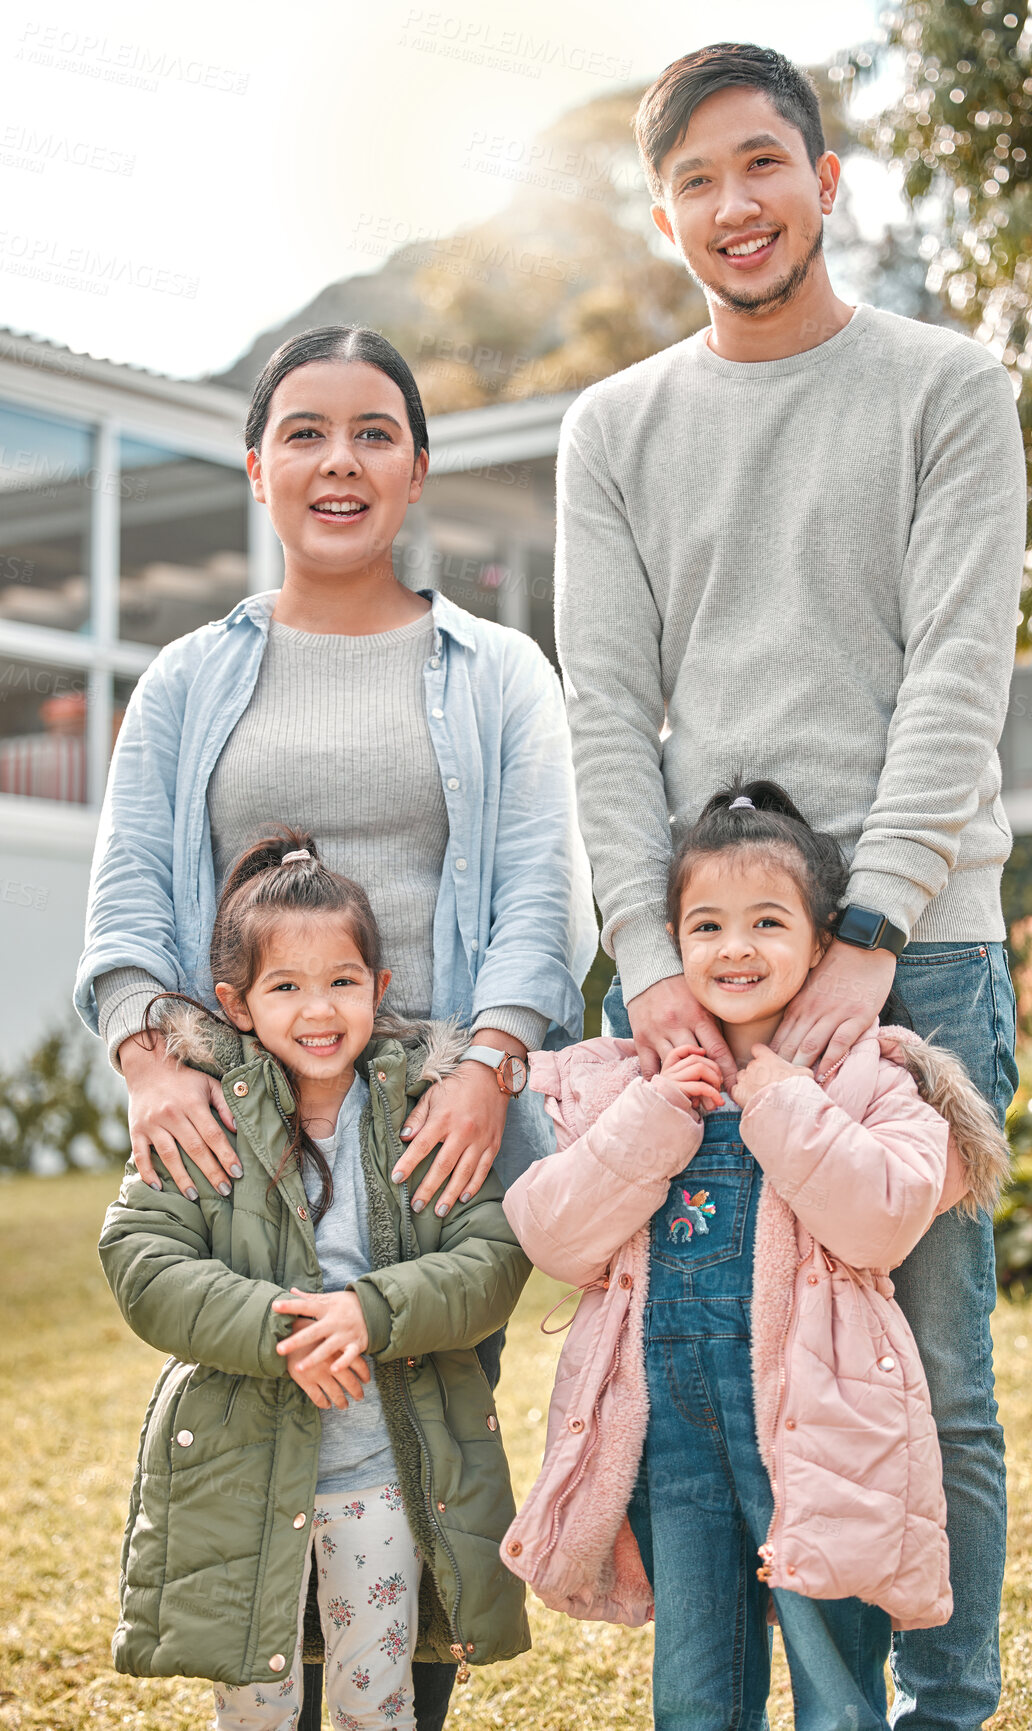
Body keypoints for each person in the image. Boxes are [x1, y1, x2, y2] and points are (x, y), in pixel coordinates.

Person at [553, 43, 1025, 1728]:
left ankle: (941, 1708)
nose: (733, 205)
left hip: (927, 954)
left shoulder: (948, 386)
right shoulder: (612, 428)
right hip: (722, 978)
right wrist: (643, 955)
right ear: (666, 210)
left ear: (828, 182)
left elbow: (963, 663)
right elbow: (602, 708)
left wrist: (878, 925)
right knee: (738, 1386)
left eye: (764, 165)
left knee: (935, 1374)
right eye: (695, 179)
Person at [76, 324, 596, 1728]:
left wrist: (488, 1064)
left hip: (432, 1137)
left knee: (418, 1497)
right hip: (252, 1137)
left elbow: (549, 891)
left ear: (417, 467)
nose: (338, 460)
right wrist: (142, 1052)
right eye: (303, 431)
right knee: (260, 1482)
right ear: (257, 467)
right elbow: (127, 883)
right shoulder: (187, 677)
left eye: (373, 431)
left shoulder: (498, 672)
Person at [500, 784, 1009, 1731]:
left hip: (824, 1437)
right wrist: (655, 1119)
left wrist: (779, 1097)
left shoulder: (870, 1076)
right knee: (695, 1689)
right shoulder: (627, 1082)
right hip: (674, 1440)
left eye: (766, 922)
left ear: (821, 945)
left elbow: (882, 1220)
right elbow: (551, 1234)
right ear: (669, 944)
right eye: (707, 925)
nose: (734, 947)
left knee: (834, 1686)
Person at [99, 832, 532, 1731]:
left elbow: (491, 1256)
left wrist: (368, 1313)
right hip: (246, 1474)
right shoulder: (207, 1113)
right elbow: (144, 1258)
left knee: (377, 1698)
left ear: (378, 988)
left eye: (341, 981)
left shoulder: (425, 1112)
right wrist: (284, 1326)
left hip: (381, 1476)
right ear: (239, 1003)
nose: (318, 1008)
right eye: (285, 986)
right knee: (256, 1705)